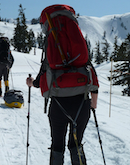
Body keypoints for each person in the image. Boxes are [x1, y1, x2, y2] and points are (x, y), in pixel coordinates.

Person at [26, 4, 99, 164]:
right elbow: (91, 72)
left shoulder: (51, 43)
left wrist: (32, 83)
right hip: (82, 104)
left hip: (58, 105)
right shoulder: (78, 43)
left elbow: (42, 76)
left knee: (57, 145)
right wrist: (93, 102)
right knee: (76, 144)